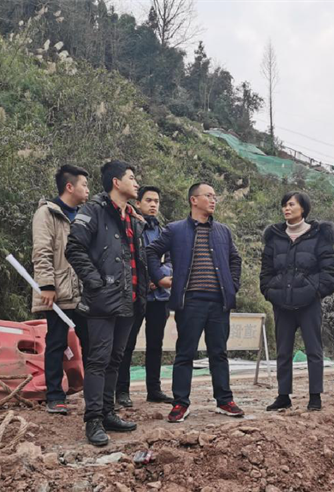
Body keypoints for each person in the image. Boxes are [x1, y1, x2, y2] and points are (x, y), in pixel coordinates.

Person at [65, 160, 148, 446]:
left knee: (115, 358)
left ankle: (108, 412)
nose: (136, 183)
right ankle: (93, 420)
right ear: (116, 182)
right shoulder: (94, 211)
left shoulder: (132, 217)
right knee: (98, 360)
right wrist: (95, 281)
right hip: (102, 299)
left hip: (129, 299)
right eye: (131, 178)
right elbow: (74, 248)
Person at [146, 182, 243, 423]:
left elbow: (235, 259)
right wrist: (159, 278)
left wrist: (232, 285)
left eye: (214, 196)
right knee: (185, 353)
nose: (213, 200)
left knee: (219, 353)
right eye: (208, 195)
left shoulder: (223, 231)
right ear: (194, 200)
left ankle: (224, 400)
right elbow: (150, 252)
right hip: (189, 302)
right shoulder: (175, 229)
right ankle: (181, 403)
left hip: (219, 302)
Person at [260, 191, 334, 412]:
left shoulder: (318, 236)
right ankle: (283, 395)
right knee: (283, 352)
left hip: (309, 304)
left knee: (314, 350)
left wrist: (315, 291)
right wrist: (270, 291)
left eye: (291, 204)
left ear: (303, 208)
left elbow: (331, 271)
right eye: (284, 205)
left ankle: (315, 396)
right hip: (282, 304)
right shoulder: (275, 237)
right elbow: (265, 270)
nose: (286, 208)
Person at [31, 165, 92, 415]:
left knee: (91, 343)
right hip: (58, 292)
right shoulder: (47, 213)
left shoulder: (85, 215)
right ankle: (55, 395)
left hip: (85, 292)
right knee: (56, 342)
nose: (87, 190)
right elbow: (42, 250)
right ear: (69, 187)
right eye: (84, 185)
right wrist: (46, 285)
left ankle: (94, 395)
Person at [115, 186, 175, 407]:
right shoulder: (131, 227)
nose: (153, 205)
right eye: (149, 200)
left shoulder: (164, 232)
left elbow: (171, 260)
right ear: (138, 203)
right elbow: (126, 257)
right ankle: (122, 391)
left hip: (159, 296)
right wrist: (146, 279)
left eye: (156, 201)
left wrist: (158, 278)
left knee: (155, 344)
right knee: (126, 344)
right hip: (135, 295)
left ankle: (154, 389)